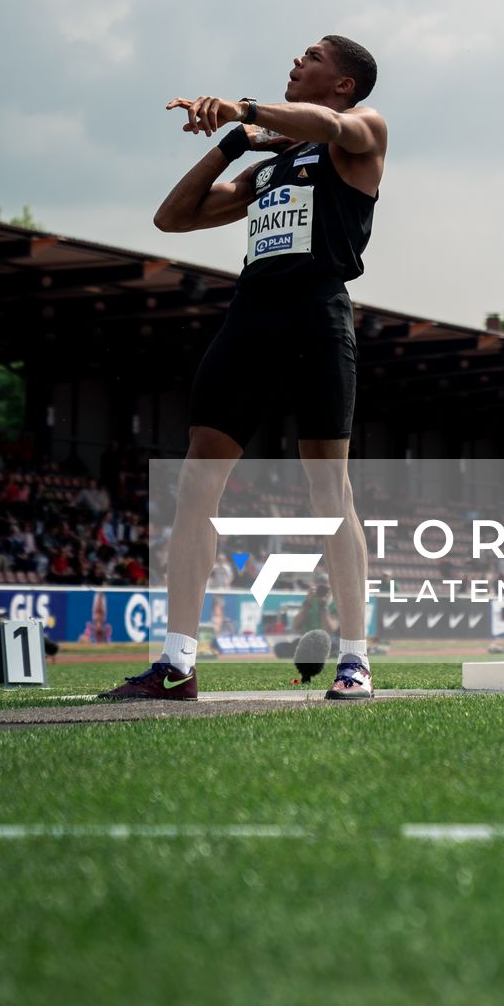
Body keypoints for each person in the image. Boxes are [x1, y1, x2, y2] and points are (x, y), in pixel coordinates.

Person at [104, 35, 385, 706]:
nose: (298, 60)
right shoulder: (268, 169)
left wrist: (242, 108)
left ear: (343, 82)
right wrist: (237, 141)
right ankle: (176, 664)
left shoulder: (362, 132)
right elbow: (172, 218)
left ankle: (355, 659)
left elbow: (327, 126)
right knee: (196, 479)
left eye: (313, 56)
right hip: (253, 315)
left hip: (319, 313)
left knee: (328, 491)